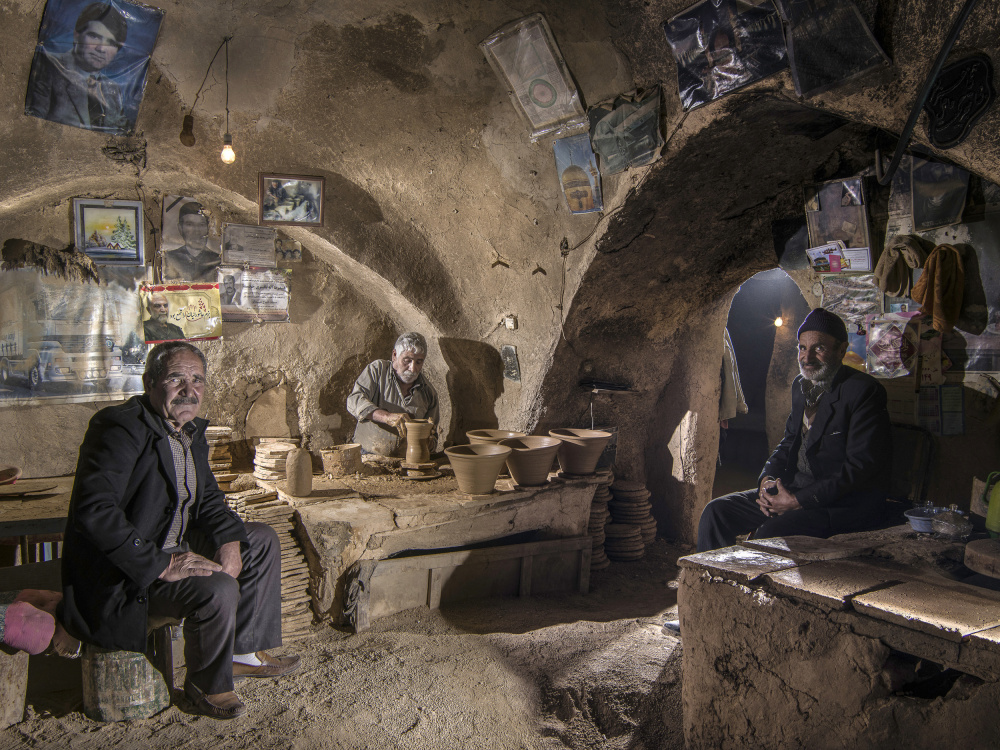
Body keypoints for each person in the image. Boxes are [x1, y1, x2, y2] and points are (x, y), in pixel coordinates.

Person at [60, 342, 300, 719]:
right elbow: (94, 513)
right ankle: (206, 687)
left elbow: (207, 501)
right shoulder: (119, 427)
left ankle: (242, 653)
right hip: (126, 574)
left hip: (168, 548)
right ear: (151, 382)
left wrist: (230, 542)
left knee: (259, 539)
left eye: (197, 380)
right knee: (218, 587)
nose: (189, 390)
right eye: (176, 378)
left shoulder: (189, 433)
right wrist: (160, 564)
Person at [697, 308, 892, 552]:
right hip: (794, 490)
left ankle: (749, 588)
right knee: (716, 512)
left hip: (838, 504)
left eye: (818, 348)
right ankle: (713, 585)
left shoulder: (864, 392)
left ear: (841, 350)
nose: (807, 357)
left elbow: (859, 467)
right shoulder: (801, 385)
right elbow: (789, 442)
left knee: (770, 535)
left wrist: (798, 501)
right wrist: (767, 481)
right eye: (802, 347)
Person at [25, 2, 128, 132]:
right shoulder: (48, 66)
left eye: (111, 43)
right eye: (94, 36)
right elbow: (30, 127)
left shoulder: (113, 89)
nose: (101, 49)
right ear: (76, 35)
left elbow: (121, 132)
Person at [346, 332, 440, 457]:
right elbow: (354, 400)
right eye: (407, 361)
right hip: (367, 454)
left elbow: (433, 438)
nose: (412, 368)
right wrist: (386, 417)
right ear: (395, 355)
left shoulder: (428, 393)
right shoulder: (377, 371)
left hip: (406, 461)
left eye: (418, 362)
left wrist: (427, 440)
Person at [162, 202, 221, 282]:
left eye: (201, 225)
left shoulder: (217, 259)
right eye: (189, 224)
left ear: (208, 228)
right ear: (180, 228)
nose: (196, 231)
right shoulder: (170, 258)